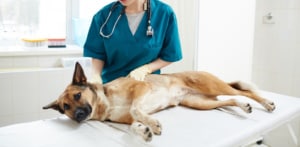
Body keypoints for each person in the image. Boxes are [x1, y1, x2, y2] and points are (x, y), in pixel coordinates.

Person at [83, 0, 182, 84]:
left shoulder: (164, 14)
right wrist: (96, 75)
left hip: (147, 86)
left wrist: (146, 69)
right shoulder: (103, 16)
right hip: (112, 85)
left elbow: (170, 54)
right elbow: (97, 54)